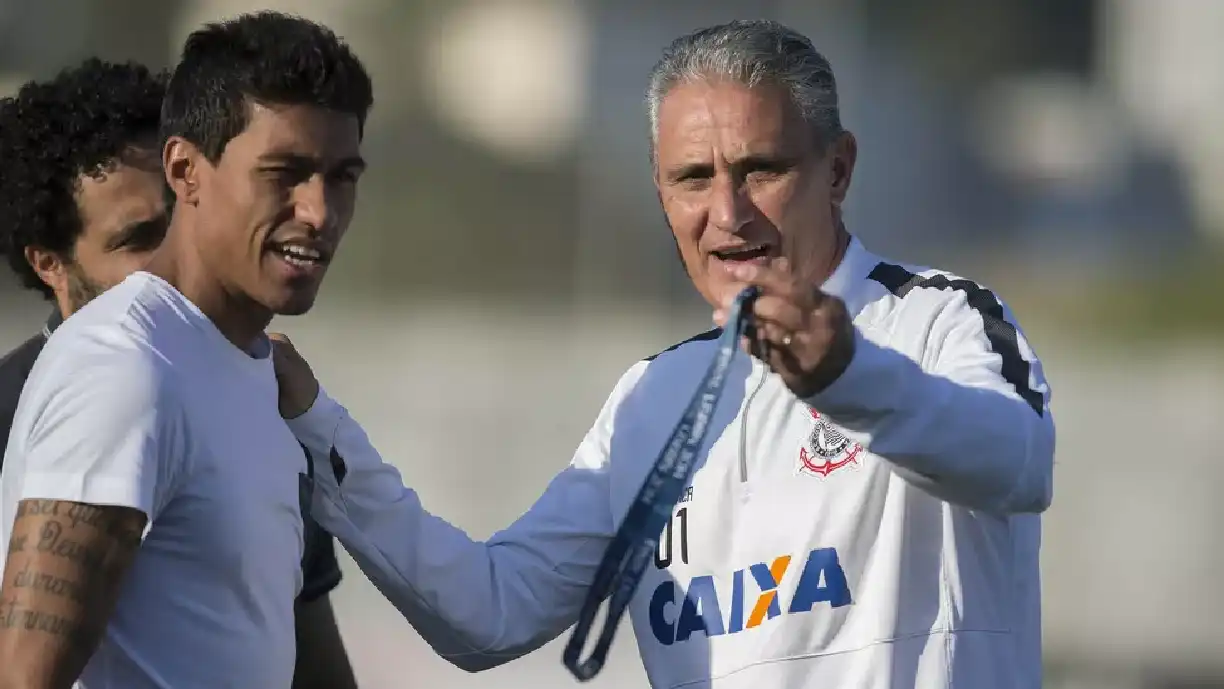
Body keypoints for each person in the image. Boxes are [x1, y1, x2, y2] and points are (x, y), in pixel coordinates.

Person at [274, 18, 1056, 689]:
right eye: (693, 178)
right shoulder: (653, 397)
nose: (727, 212)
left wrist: (848, 378)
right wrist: (314, 421)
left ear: (839, 169)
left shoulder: (936, 321)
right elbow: (489, 612)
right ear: (661, 195)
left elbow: (1017, 461)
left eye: (762, 169)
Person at [0, 15, 371, 689]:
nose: (318, 211)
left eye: (342, 175)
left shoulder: (265, 388)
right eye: (283, 172)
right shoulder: (120, 368)